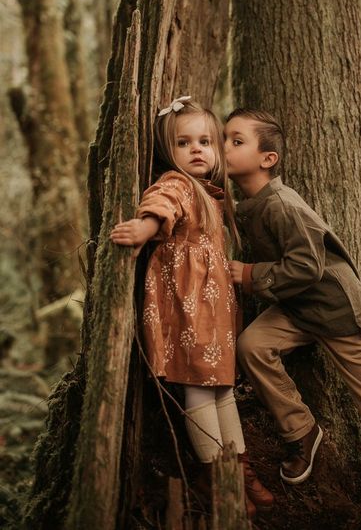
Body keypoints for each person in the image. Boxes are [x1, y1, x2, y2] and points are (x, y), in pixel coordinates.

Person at [224, 107, 361, 530]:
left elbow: (307, 266)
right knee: (252, 346)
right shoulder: (251, 203)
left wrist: (251, 276)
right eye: (224, 139)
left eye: (236, 141)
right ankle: (301, 430)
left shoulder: (282, 204)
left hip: (338, 312)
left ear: (267, 159)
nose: (224, 147)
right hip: (298, 308)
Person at [110, 97, 273, 517]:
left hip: (214, 312)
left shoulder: (213, 196)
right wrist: (144, 228)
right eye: (185, 143)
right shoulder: (179, 183)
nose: (197, 149)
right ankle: (214, 475)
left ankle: (238, 468)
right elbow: (164, 202)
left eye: (205, 140)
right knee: (199, 388)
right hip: (186, 310)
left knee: (222, 389)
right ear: (170, 152)